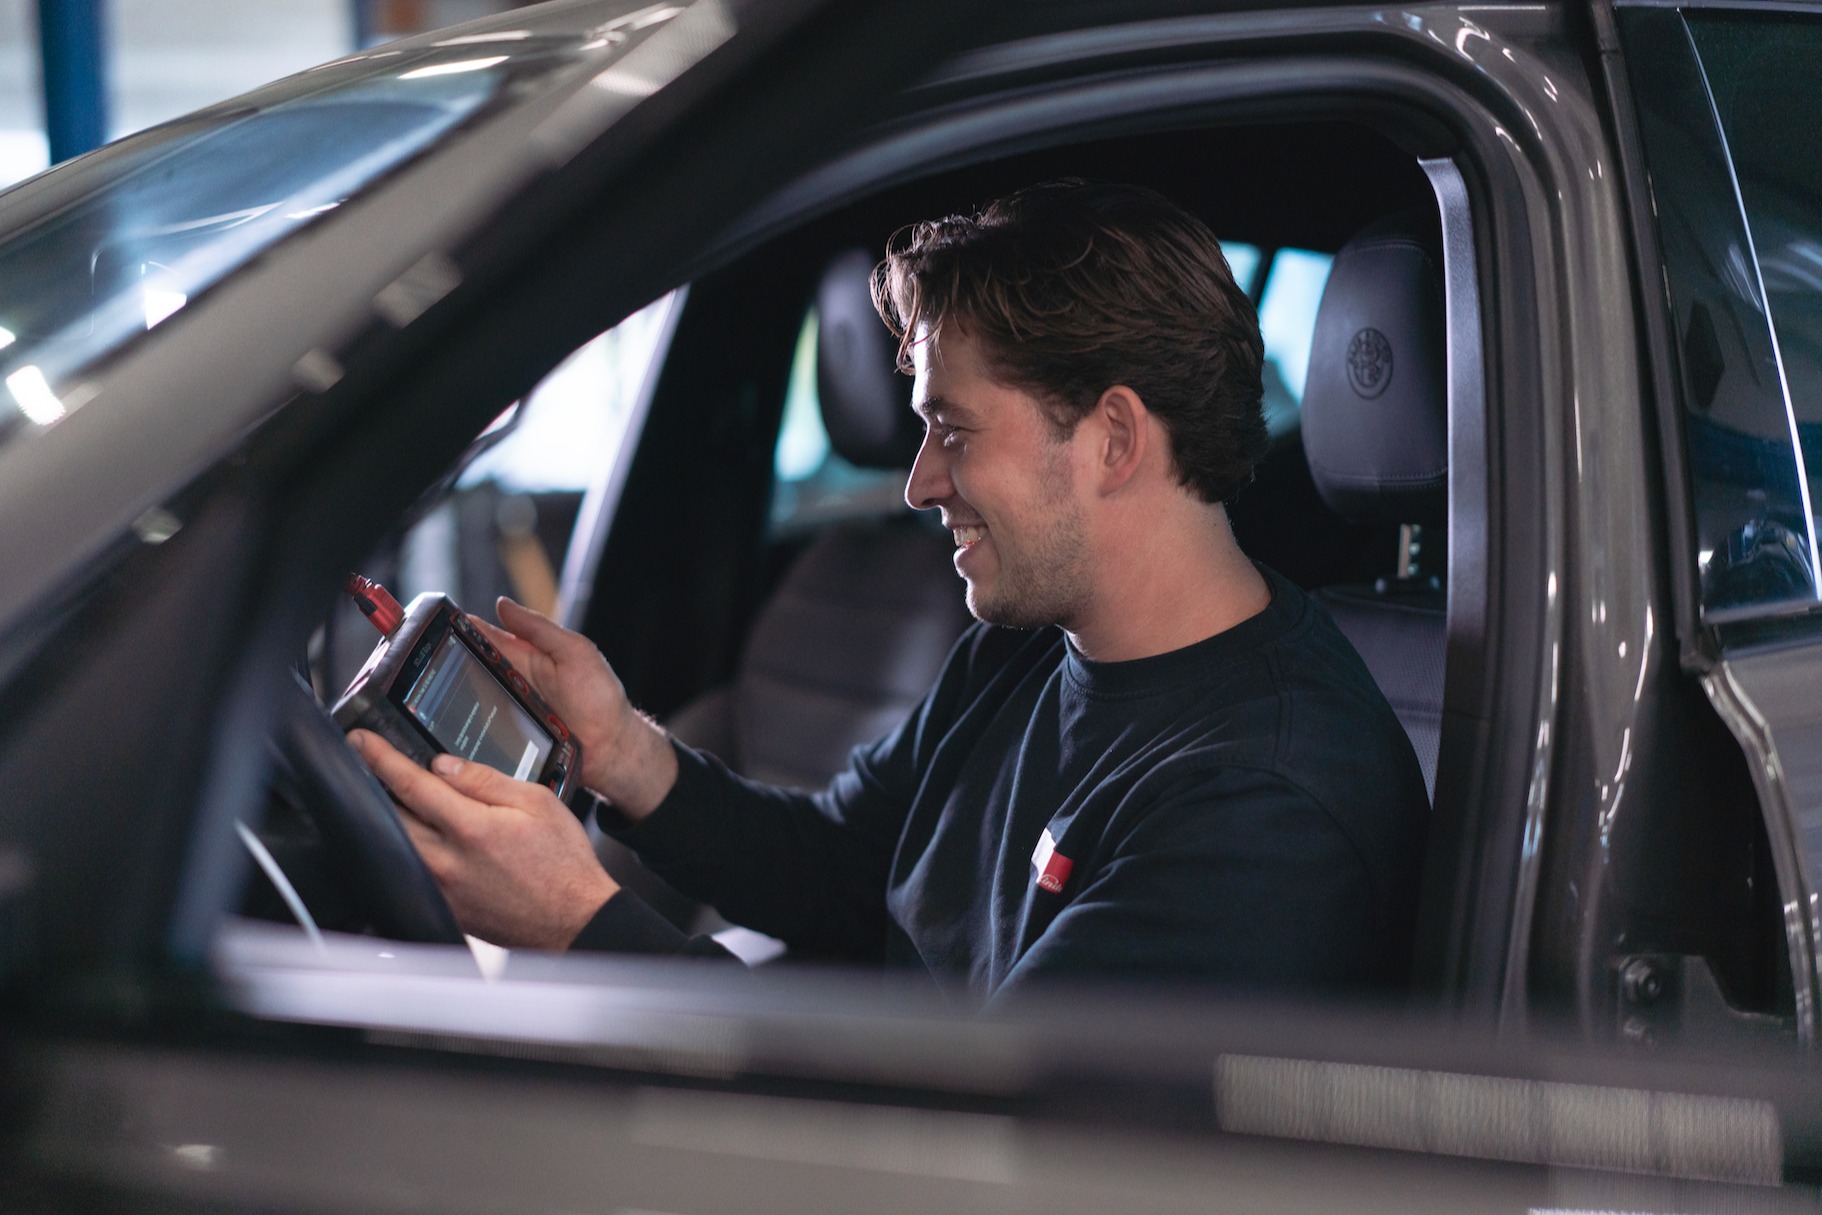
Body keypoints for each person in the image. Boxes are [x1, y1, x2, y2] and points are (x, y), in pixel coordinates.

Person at [350, 180, 1431, 998]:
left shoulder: (1261, 808)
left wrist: (580, 924)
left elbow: (977, 1147)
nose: (919, 484)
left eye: (952, 430)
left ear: (1112, 439)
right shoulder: (1028, 644)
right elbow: (846, 867)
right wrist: (622, 750)